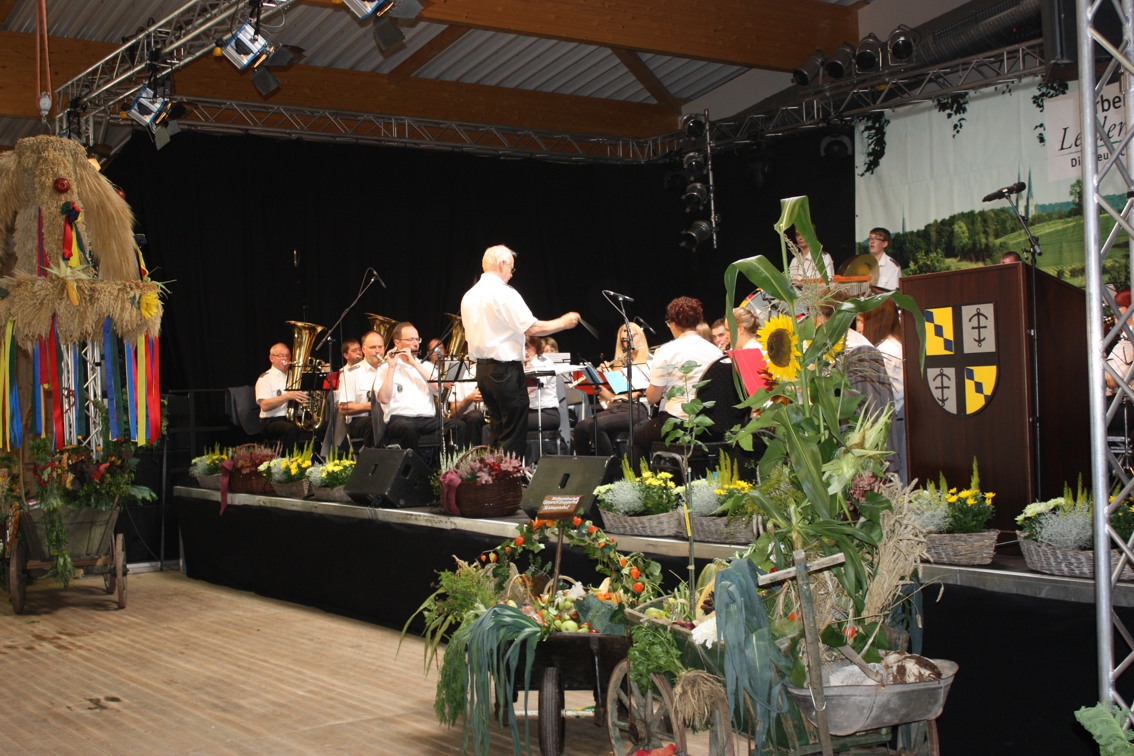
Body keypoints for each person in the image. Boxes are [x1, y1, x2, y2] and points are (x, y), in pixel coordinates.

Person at [460, 245, 579, 458]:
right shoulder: (503, 292)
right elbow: (532, 328)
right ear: (502, 264)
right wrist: (564, 322)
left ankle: (494, 475)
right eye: (511, 269)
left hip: (483, 371)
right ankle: (509, 476)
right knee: (512, 434)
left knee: (498, 430)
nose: (511, 274)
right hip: (504, 371)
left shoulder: (469, 295)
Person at [630, 297, 722, 466]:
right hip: (709, 423)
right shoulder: (715, 351)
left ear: (673, 323)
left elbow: (653, 398)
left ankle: (644, 482)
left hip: (679, 422)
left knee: (637, 435)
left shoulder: (667, 351)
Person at [376, 322, 466, 452]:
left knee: (458, 425)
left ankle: (450, 464)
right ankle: (414, 465)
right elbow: (384, 399)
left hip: (427, 420)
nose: (415, 344)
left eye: (417, 339)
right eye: (410, 340)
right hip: (399, 420)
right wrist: (392, 367)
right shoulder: (385, 367)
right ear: (397, 343)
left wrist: (414, 364)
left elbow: (438, 389)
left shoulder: (427, 366)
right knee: (410, 428)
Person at [574, 323, 651, 457]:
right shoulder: (622, 364)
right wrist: (597, 382)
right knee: (580, 428)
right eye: (624, 340)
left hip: (636, 409)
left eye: (633, 336)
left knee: (596, 425)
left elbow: (632, 395)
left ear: (641, 336)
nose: (629, 341)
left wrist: (612, 376)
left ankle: (611, 466)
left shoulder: (647, 363)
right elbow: (615, 398)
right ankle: (586, 467)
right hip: (617, 407)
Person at [860, 298, 906, 483]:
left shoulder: (884, 350)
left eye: (862, 320)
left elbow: (882, 395)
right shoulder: (897, 343)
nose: (860, 326)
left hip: (895, 421)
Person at [255, 343, 309, 452]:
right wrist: (288, 396)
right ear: (271, 358)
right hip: (272, 421)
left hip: (295, 418)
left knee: (318, 426)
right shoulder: (265, 378)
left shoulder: (296, 377)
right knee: (290, 429)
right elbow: (264, 406)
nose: (285, 358)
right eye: (280, 356)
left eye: (287, 355)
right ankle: (290, 460)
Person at [337, 330, 385, 446]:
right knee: (375, 423)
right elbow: (343, 408)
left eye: (380, 347)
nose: (377, 351)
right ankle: (374, 456)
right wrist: (372, 406)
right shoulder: (352, 373)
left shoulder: (390, 369)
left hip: (387, 417)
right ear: (363, 349)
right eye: (373, 347)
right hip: (360, 421)